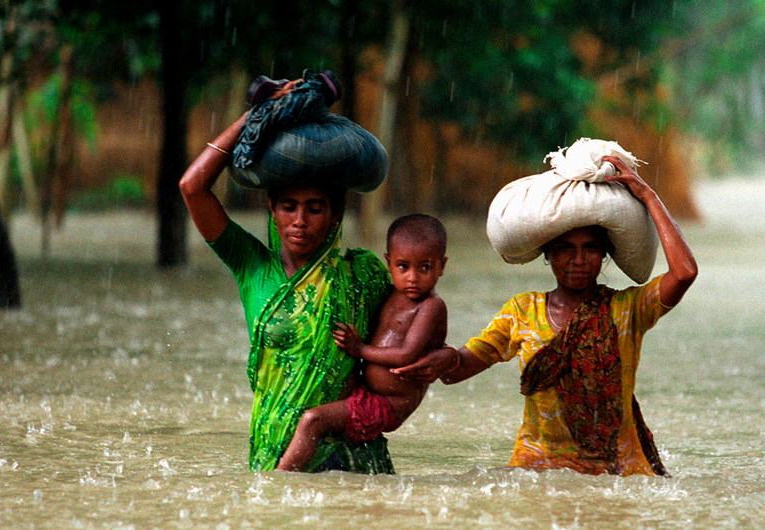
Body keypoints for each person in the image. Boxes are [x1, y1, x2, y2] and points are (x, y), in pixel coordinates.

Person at [393, 155, 697, 476]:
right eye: (566, 248)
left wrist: (649, 196)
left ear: (604, 254)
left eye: (590, 248)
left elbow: (685, 272)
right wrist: (443, 359)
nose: (578, 260)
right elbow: (458, 369)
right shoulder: (522, 312)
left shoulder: (627, 310)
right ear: (548, 254)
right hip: (536, 470)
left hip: (613, 472)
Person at [179, 80, 394, 473]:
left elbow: (409, 327)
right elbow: (192, 187)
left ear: (335, 216)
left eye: (314, 208)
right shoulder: (252, 266)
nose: (299, 221)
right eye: (288, 206)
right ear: (271, 210)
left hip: (349, 458)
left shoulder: (363, 274)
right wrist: (258, 115)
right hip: (273, 445)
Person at [276, 214, 449, 471]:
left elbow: (406, 355)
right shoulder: (390, 293)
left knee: (313, 420)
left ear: (441, 266)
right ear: (389, 263)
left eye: (424, 268)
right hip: (367, 389)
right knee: (313, 390)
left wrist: (360, 349)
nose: (413, 277)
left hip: (389, 404)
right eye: (403, 267)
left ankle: (277, 480)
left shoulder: (431, 306)